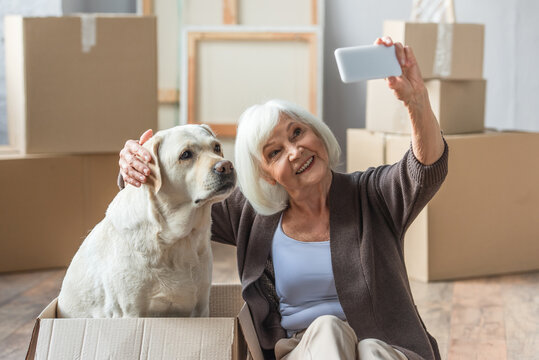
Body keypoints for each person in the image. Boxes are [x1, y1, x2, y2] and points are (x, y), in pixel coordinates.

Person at [118, 37, 447, 360]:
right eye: (275, 153)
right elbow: (169, 204)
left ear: (316, 131)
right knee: (329, 329)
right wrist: (138, 168)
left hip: (384, 348)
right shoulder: (249, 215)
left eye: (297, 133)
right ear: (265, 174)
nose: (295, 152)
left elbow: (425, 168)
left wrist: (416, 99)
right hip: (303, 351)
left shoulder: (371, 196)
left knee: (373, 349)